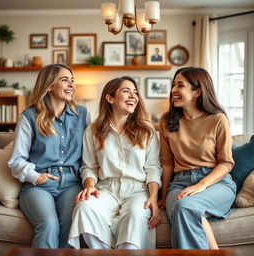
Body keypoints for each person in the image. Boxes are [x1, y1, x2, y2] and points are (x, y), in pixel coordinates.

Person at [68, 76, 162, 249]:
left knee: (135, 213)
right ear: (110, 98)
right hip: (106, 189)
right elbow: (89, 167)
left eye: (135, 92)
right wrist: (89, 186)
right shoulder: (93, 130)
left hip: (137, 190)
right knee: (84, 208)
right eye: (126, 91)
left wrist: (154, 198)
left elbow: (153, 168)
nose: (133, 96)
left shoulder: (147, 130)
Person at [8, 64, 91, 248]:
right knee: (48, 224)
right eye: (65, 80)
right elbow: (16, 160)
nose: (71, 85)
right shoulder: (29, 117)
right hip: (40, 185)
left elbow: (90, 156)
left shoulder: (83, 114)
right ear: (50, 86)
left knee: (70, 226)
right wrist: (36, 177)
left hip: (72, 183)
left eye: (72, 80)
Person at [158, 67, 236, 249]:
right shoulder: (166, 120)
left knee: (185, 207)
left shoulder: (217, 119)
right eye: (173, 85)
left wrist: (201, 185)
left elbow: (226, 162)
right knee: (186, 209)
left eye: (180, 85)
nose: (173, 90)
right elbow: (167, 163)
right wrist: (162, 196)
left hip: (215, 183)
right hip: (179, 183)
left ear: (198, 91)